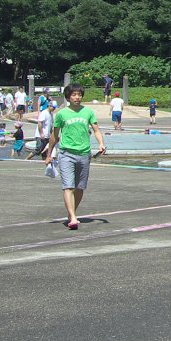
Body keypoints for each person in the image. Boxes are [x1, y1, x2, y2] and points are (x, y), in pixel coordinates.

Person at [45, 82, 108, 230]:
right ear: (68, 97)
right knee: (68, 186)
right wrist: (49, 154)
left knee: (80, 187)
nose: (77, 97)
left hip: (84, 154)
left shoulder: (88, 112)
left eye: (79, 94)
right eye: (74, 95)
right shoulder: (61, 114)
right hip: (66, 153)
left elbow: (96, 130)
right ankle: (73, 217)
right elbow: (54, 136)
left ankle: (71, 213)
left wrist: (101, 143)